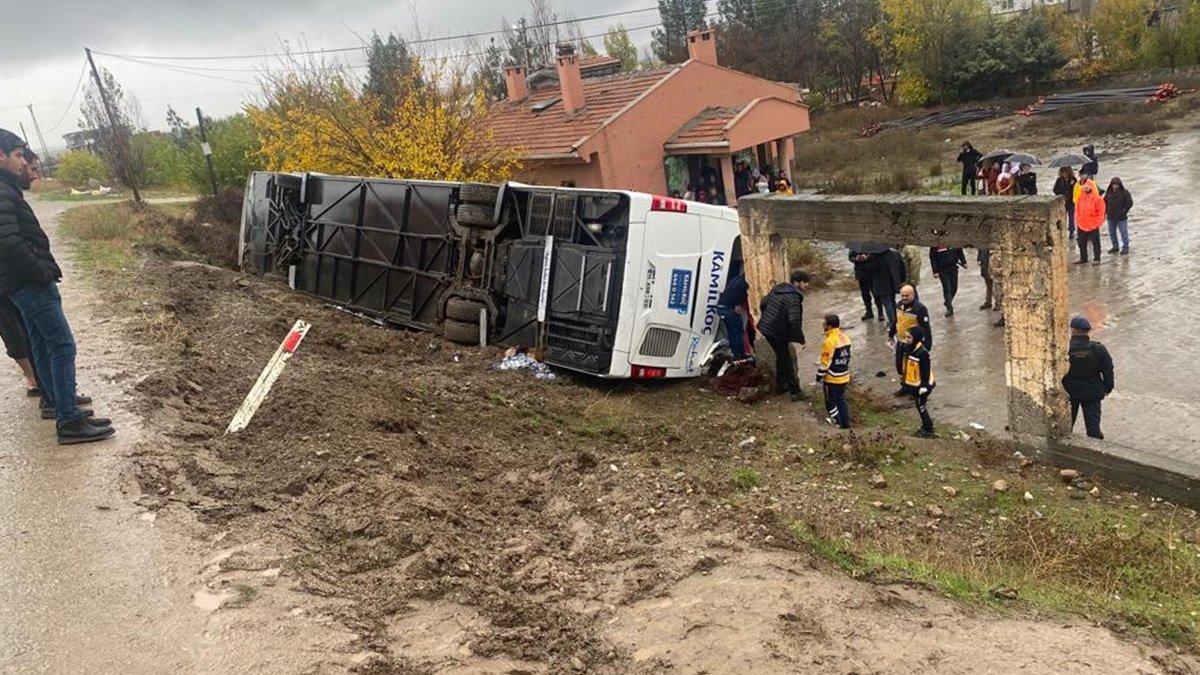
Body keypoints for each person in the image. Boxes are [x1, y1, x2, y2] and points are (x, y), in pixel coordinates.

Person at [0, 129, 113, 444]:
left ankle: (58, 404)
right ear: (1, 155)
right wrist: (41, 272)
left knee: (41, 343)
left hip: (21, 283)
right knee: (62, 345)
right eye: (19, 155)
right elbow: (8, 243)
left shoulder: (6, 189)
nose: (24, 163)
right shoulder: (1, 191)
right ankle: (69, 420)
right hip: (29, 283)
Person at [758, 270, 810, 401]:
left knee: (782, 356)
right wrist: (801, 339)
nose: (807, 286)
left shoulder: (778, 289)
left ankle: (782, 385)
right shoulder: (794, 297)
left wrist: (769, 318)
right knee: (786, 359)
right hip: (776, 331)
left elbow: (763, 303)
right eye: (805, 283)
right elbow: (794, 321)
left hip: (766, 327)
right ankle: (795, 392)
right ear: (797, 283)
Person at [1061, 316, 1114, 440]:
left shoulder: (1064, 349)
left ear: (1073, 330)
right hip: (1092, 393)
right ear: (1087, 331)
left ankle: (1064, 449)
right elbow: (1108, 370)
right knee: (1093, 428)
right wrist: (1107, 389)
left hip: (1069, 393)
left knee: (1066, 426)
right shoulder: (1099, 349)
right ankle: (1096, 451)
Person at [891, 283, 932, 396]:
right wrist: (891, 333)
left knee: (914, 368)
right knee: (899, 366)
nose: (904, 298)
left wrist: (927, 346)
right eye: (902, 295)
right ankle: (904, 387)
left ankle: (917, 389)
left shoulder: (920, 308)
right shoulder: (899, 305)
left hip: (912, 344)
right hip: (901, 341)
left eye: (907, 295)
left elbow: (926, 328)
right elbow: (897, 320)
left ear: (913, 295)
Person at [816, 313, 852, 429]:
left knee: (830, 402)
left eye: (824, 324)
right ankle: (846, 423)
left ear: (829, 326)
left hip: (832, 378)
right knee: (841, 399)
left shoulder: (828, 342)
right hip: (844, 375)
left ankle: (838, 423)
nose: (823, 326)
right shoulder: (846, 337)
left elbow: (825, 363)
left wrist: (818, 376)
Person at [901, 325, 936, 438]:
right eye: (906, 337)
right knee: (919, 405)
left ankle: (928, 428)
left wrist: (924, 386)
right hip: (916, 385)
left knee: (921, 407)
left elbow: (925, 370)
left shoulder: (922, 353)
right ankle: (926, 425)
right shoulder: (910, 349)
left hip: (923, 386)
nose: (907, 340)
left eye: (909, 338)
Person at [717, 272, 751, 359]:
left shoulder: (737, 279)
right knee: (737, 332)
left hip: (722, 307)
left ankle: (736, 354)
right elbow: (738, 305)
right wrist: (738, 304)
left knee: (732, 332)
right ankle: (740, 354)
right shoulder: (743, 282)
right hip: (729, 309)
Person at [1074, 178, 1106, 266]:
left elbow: (1101, 212)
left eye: (1088, 188)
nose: (1086, 189)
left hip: (1093, 224)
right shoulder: (1080, 198)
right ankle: (1083, 258)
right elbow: (1077, 210)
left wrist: (1098, 223)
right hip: (1082, 224)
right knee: (1081, 242)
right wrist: (1078, 221)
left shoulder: (1098, 199)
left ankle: (1097, 258)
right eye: (1084, 188)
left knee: (1095, 242)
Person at [929, 246, 967, 317]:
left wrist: (964, 262)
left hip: (953, 267)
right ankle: (949, 308)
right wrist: (935, 271)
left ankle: (947, 302)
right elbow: (932, 257)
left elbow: (959, 251)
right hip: (942, 270)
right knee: (947, 289)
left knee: (954, 288)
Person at [1104, 177, 1133, 255]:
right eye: (1114, 185)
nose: (1115, 186)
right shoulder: (1108, 193)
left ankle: (1125, 247)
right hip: (1110, 217)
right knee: (1112, 232)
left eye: (1116, 185)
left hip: (1121, 217)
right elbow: (1104, 203)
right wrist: (1105, 213)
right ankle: (1115, 246)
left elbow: (1129, 203)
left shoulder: (1125, 193)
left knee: (1123, 232)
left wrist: (1124, 211)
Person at [1053, 167, 1078, 240]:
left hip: (1071, 202)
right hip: (1062, 202)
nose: (1065, 174)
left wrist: (1071, 185)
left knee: (1071, 217)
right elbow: (1055, 190)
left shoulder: (1073, 180)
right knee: (1062, 217)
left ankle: (1071, 231)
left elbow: (1076, 190)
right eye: (1063, 172)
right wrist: (1061, 193)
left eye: (1066, 172)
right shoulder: (1059, 180)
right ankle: (1062, 230)